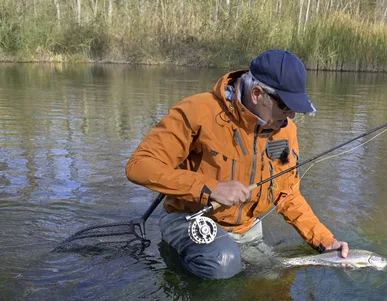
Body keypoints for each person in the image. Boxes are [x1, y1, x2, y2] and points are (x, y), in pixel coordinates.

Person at [126, 49, 348, 279]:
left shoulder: (285, 130)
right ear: (257, 94)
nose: (291, 115)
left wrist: (326, 241)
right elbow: (139, 165)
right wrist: (211, 188)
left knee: (274, 282)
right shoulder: (197, 111)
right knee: (224, 262)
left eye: (295, 108)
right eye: (285, 106)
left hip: (246, 232)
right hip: (191, 219)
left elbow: (288, 194)